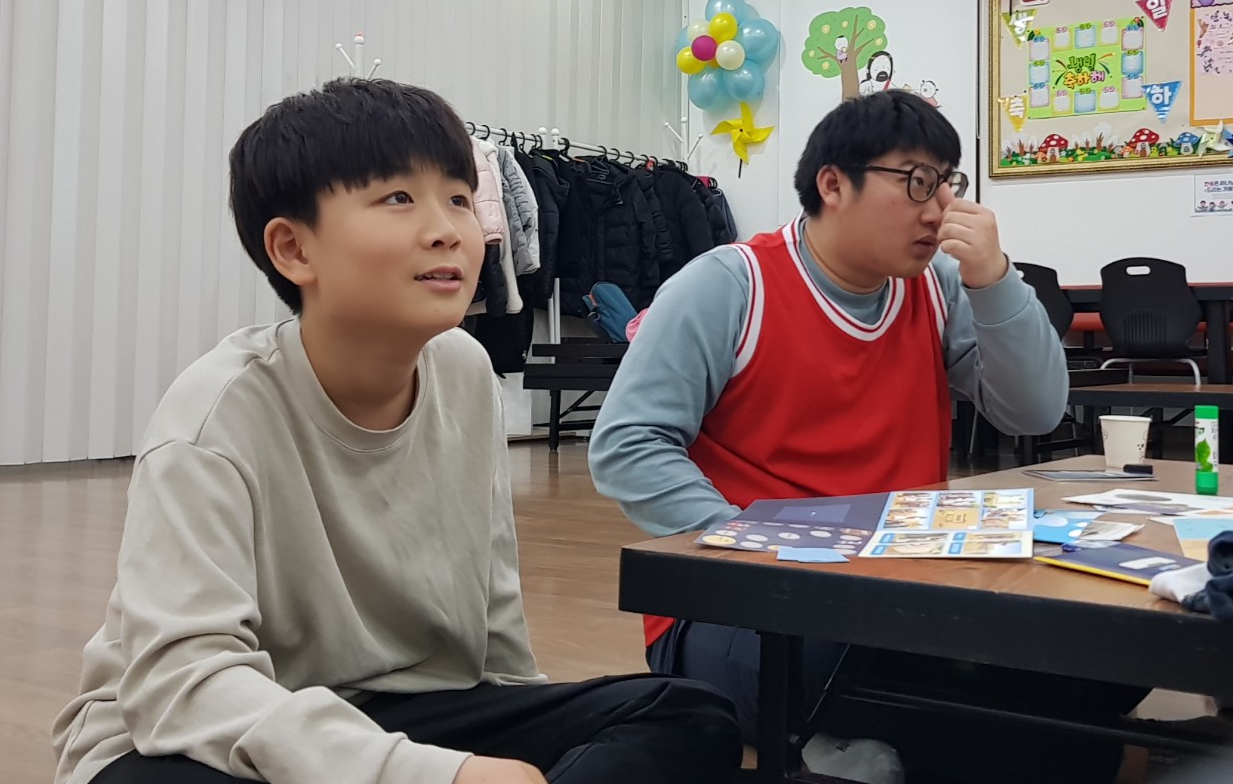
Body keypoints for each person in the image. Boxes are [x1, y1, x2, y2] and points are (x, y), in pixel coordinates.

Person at [53, 78, 741, 784]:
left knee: (687, 715)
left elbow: (495, 623)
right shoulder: (216, 413)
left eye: (459, 198)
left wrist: (510, 743)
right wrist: (437, 776)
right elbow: (184, 683)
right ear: (293, 249)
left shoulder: (465, 373)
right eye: (398, 199)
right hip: (200, 734)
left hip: (407, 708)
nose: (448, 229)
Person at [589, 89, 1141, 783]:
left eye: (946, 183)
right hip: (745, 609)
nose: (938, 208)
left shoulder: (938, 287)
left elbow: (1034, 411)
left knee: (1111, 637)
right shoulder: (731, 285)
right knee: (1009, 711)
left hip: (904, 591)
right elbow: (628, 444)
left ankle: (882, 740)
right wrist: (755, 546)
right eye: (915, 182)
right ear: (833, 184)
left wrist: (996, 281)